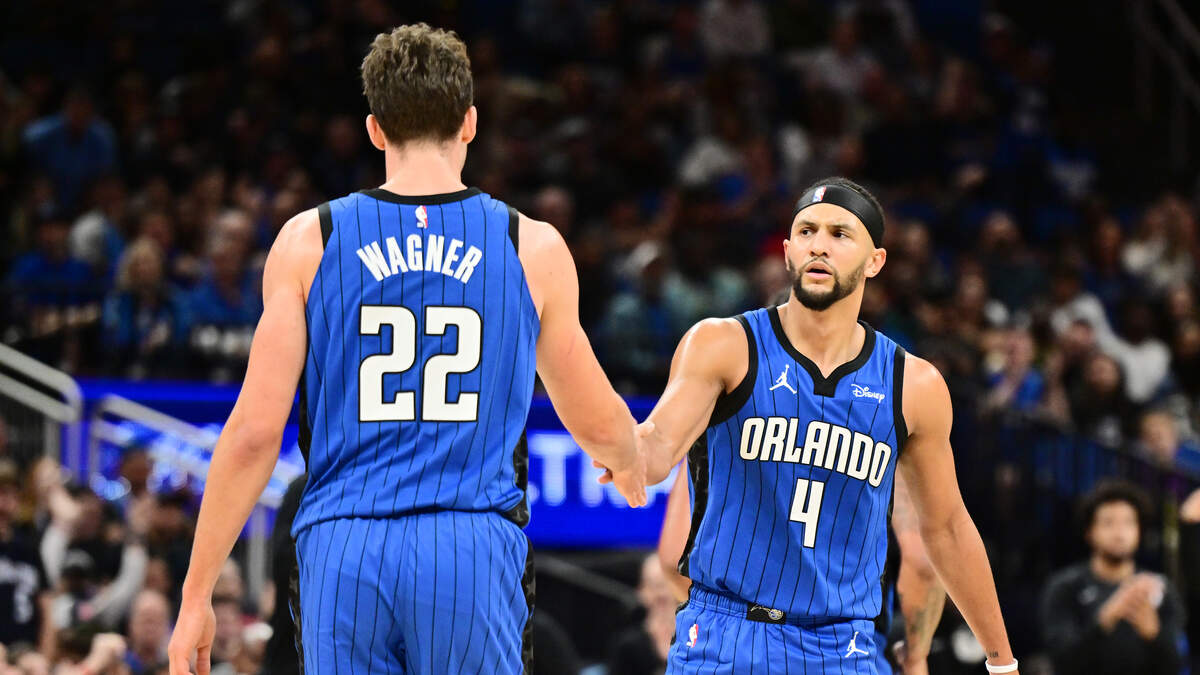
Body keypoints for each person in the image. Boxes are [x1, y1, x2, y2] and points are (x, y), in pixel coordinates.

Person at [169, 23, 647, 675]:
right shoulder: (529, 245)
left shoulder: (310, 240)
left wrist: (197, 593)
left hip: (343, 544)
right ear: (470, 122)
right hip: (468, 544)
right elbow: (594, 417)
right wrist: (628, 455)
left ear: (375, 129)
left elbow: (254, 433)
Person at [618, 177, 1017, 672]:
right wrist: (625, 447)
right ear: (788, 251)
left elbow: (948, 529)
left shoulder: (913, 386)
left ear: (875, 261)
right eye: (806, 231)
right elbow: (657, 447)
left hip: (844, 646)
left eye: (840, 234)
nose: (819, 245)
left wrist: (1002, 661)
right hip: (725, 632)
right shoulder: (724, 345)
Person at [657, 455, 945, 674]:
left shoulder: (727, 408)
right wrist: (916, 655)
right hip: (843, 651)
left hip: (729, 648)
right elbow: (922, 565)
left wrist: (727, 618)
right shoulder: (883, 416)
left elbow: (674, 558)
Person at [1040, 480, 1186, 675]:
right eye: (1108, 523)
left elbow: (1177, 665)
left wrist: (1153, 634)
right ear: (1089, 531)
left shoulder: (1161, 589)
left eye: (1128, 522)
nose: (1119, 533)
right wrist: (1105, 619)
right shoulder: (1065, 587)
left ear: (1139, 531)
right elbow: (1062, 661)